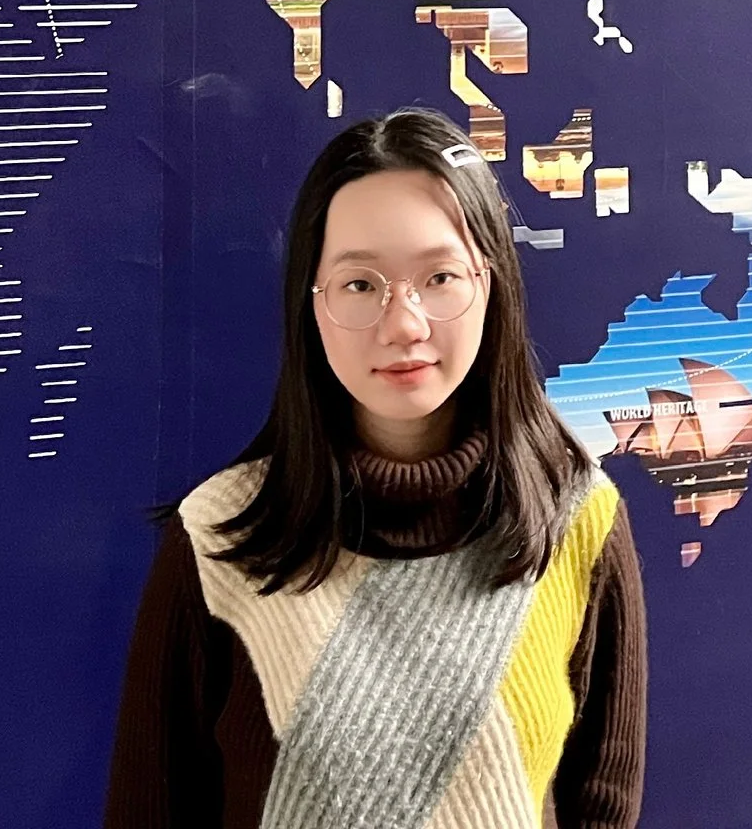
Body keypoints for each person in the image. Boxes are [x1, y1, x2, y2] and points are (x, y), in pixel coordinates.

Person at [103, 108, 647, 829]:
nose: (405, 324)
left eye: (440, 276)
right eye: (360, 284)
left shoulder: (577, 519)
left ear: (489, 284)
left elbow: (601, 806)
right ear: (313, 302)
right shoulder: (216, 539)